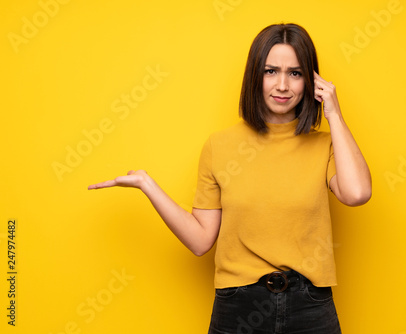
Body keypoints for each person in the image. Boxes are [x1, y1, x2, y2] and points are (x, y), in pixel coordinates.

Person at [88, 23, 371, 334]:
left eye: (295, 73)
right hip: (239, 306)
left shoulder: (326, 146)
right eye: (270, 71)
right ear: (254, 76)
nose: (282, 85)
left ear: (310, 81)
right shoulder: (219, 146)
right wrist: (147, 185)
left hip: (310, 307)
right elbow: (200, 241)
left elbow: (356, 193)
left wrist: (334, 114)